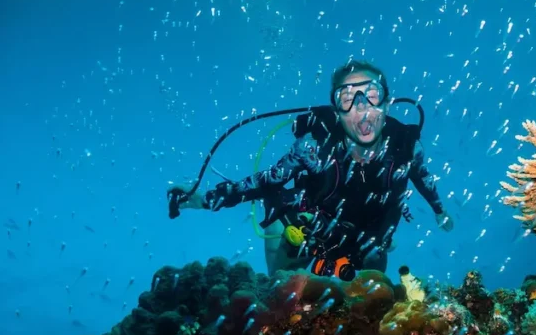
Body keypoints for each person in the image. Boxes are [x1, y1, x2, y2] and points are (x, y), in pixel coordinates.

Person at [169, 60, 453, 277]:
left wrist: (440, 211)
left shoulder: (407, 147)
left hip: (369, 236)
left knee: (374, 282)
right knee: (281, 279)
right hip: (314, 228)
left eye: (371, 94)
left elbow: (423, 179)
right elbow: (266, 180)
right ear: (338, 112)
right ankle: (283, 239)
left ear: (387, 104)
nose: (361, 106)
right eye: (347, 98)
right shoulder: (314, 147)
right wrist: (203, 200)